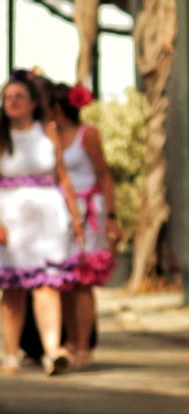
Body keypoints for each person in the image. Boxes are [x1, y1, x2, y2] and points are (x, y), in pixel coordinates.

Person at [0, 71, 82, 375]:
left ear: (34, 102)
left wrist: (75, 217)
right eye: (8, 97)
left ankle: (52, 350)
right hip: (11, 217)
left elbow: (62, 175)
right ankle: (11, 354)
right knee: (14, 287)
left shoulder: (47, 133)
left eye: (19, 96)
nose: (12, 102)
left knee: (47, 283)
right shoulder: (1, 136)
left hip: (48, 217)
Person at [50, 81, 119, 368]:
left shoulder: (87, 134)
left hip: (88, 210)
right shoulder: (50, 135)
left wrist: (112, 218)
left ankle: (83, 346)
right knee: (64, 281)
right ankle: (68, 342)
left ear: (58, 107)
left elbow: (104, 174)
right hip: (59, 210)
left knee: (83, 281)